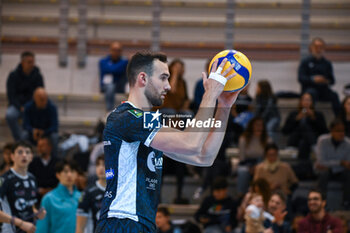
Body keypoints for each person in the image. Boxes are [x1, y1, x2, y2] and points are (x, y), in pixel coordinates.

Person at [96, 52, 239, 232]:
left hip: (141, 222)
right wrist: (209, 94)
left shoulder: (148, 123)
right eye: (163, 78)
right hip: (122, 220)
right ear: (143, 78)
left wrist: (224, 107)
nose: (169, 86)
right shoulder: (126, 118)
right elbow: (191, 143)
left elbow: (204, 156)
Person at [0, 141, 46, 233]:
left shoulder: (32, 178)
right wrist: (20, 223)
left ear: (31, 157)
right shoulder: (5, 180)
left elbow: (28, 206)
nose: (24, 155)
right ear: (12, 156)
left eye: (27, 152)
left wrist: (37, 213)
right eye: (20, 152)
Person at [6, 51, 44, 141]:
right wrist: (20, 107)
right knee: (10, 115)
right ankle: (19, 140)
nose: (32, 64)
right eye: (29, 62)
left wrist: (29, 106)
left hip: (31, 105)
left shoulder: (38, 76)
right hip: (17, 105)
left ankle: (27, 140)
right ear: (22, 62)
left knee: (31, 116)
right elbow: (11, 95)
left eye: (33, 62)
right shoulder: (13, 76)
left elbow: (40, 93)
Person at [298, 37, 341, 115]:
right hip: (309, 89)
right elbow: (301, 78)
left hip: (323, 90)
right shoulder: (305, 62)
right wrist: (313, 79)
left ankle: (339, 118)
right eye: (316, 47)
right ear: (311, 48)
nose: (318, 49)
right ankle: (306, 116)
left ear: (324, 48)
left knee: (334, 95)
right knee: (309, 95)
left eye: (321, 47)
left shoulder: (327, 63)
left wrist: (325, 80)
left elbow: (332, 81)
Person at [36, 159, 81, 233]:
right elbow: (41, 228)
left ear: (77, 174)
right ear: (58, 175)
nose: (69, 175)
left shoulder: (82, 197)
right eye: (65, 172)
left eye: (72, 171)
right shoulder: (48, 199)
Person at [314, 120, 350, 208]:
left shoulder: (348, 143)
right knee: (323, 174)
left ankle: (346, 203)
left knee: (349, 174)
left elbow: (348, 164)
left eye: (343, 131)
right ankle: (321, 203)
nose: (341, 133)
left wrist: (330, 164)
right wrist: (340, 162)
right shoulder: (322, 140)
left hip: (341, 171)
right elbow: (321, 162)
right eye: (338, 131)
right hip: (326, 171)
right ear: (332, 131)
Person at [282, 93, 328, 159]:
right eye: (304, 100)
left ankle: (313, 146)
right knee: (302, 127)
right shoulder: (293, 114)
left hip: (310, 140)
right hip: (296, 139)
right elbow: (285, 131)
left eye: (308, 100)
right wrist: (296, 119)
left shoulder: (318, 115)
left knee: (303, 143)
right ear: (300, 102)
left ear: (312, 102)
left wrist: (313, 118)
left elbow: (324, 132)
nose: (306, 102)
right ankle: (314, 147)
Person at [237, 117, 271, 195]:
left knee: (263, 169)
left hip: (262, 163)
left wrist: (258, 166)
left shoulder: (268, 140)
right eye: (257, 125)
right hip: (247, 163)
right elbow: (242, 158)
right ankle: (241, 194)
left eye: (261, 125)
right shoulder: (243, 139)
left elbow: (269, 157)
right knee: (242, 171)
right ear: (251, 126)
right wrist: (250, 167)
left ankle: (263, 194)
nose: (259, 127)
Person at [23, 87, 59, 156]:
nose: (43, 101)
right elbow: (25, 124)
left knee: (55, 136)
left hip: (47, 133)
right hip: (32, 133)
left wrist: (44, 132)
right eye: (41, 99)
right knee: (24, 135)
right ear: (35, 98)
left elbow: (54, 126)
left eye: (45, 99)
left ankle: (55, 161)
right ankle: (23, 159)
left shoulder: (52, 107)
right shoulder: (28, 107)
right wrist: (33, 131)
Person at [76, 155, 106, 233]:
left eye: (104, 164)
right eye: (98, 165)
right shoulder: (88, 192)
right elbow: (80, 227)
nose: (101, 168)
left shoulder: (118, 190)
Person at [99, 41, 128, 111]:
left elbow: (114, 69)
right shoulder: (103, 61)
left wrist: (111, 69)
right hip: (106, 86)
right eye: (114, 50)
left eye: (118, 50)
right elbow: (114, 69)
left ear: (121, 51)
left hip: (120, 85)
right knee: (110, 87)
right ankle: (109, 111)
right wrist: (115, 69)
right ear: (110, 50)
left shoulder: (125, 61)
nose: (116, 52)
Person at [28, 137, 59, 201]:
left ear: (50, 147)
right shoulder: (32, 163)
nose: (39, 148)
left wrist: (51, 190)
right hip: (37, 196)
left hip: (55, 195)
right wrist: (39, 190)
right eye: (38, 146)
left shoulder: (58, 162)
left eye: (42, 146)